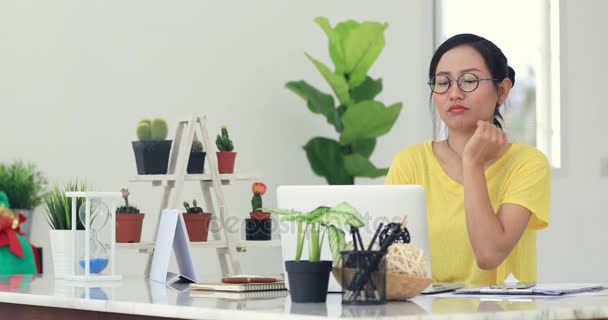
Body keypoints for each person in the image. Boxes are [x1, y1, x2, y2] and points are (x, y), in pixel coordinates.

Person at [385, 33, 551, 285]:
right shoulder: (409, 162)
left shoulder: (527, 164)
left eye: (469, 80)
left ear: (502, 90)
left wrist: (472, 163)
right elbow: (390, 259)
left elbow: (489, 254)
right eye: (443, 82)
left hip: (504, 313)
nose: (454, 93)